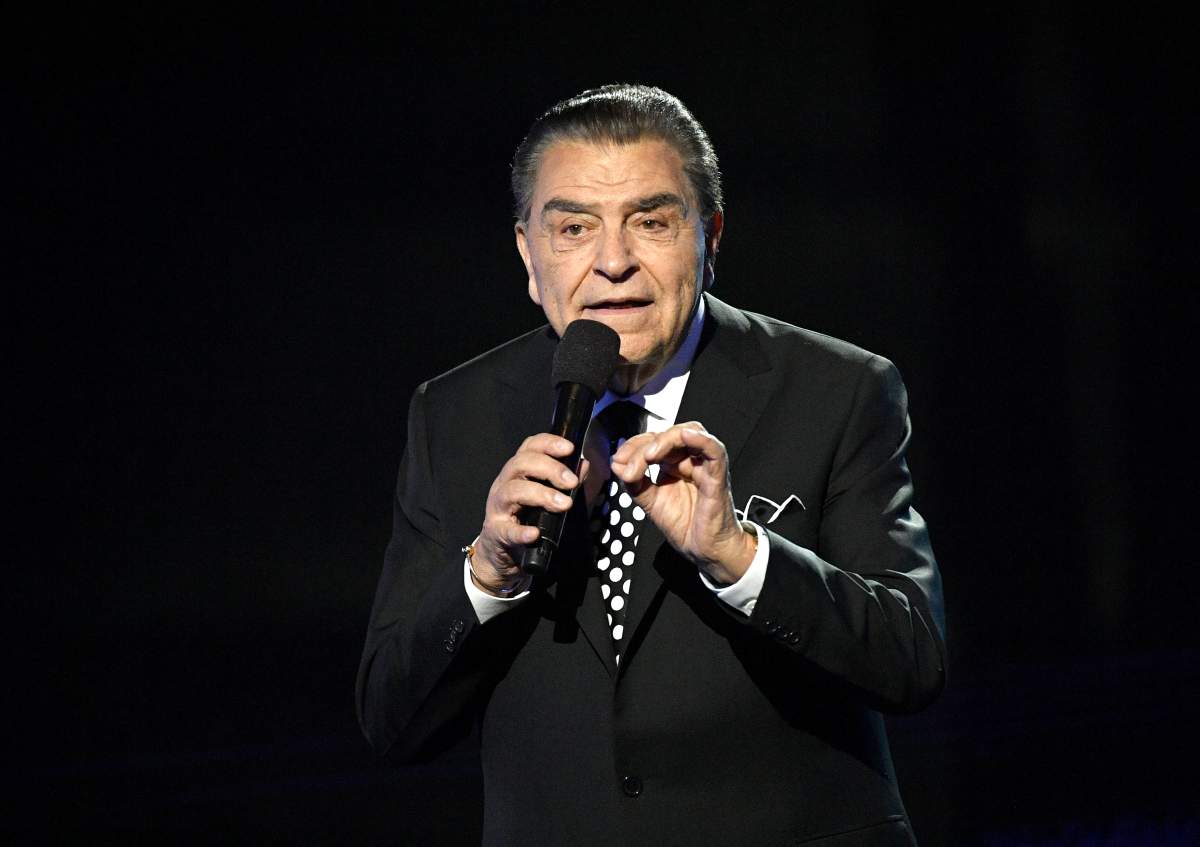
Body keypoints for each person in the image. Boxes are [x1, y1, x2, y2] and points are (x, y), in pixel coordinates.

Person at [358, 84, 945, 847]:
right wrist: (487, 574)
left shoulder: (838, 388)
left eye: (651, 221)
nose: (613, 262)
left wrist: (740, 555)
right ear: (529, 254)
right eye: (574, 227)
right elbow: (392, 719)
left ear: (710, 236)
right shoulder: (452, 415)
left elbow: (911, 659)